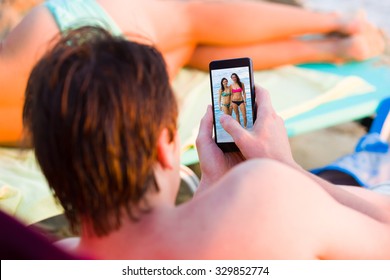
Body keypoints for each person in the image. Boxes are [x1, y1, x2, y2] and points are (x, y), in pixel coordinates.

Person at [23, 27, 390, 259]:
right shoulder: (267, 197)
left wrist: (212, 189)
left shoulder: (52, 259)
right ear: (164, 148)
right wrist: (284, 166)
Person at [0, 0, 386, 143]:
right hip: (59, 39)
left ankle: (333, 47)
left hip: (91, 108)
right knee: (186, 12)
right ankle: (338, 21)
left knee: (185, 46)